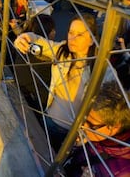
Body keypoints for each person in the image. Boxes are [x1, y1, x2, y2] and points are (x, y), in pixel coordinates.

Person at [14, 13, 98, 151]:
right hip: (49, 120)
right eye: (71, 32)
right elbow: (41, 41)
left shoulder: (100, 67)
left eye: (80, 35)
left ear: (91, 40)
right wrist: (25, 37)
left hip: (73, 133)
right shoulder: (62, 51)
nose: (72, 38)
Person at [63, 80, 130, 176]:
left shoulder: (124, 171)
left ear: (113, 128)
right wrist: (74, 147)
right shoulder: (101, 138)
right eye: (83, 119)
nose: (80, 127)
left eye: (90, 125)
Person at [13, 14, 55, 124]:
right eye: (53, 29)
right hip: (40, 101)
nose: (55, 32)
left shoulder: (23, 47)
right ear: (48, 32)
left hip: (25, 92)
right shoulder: (47, 59)